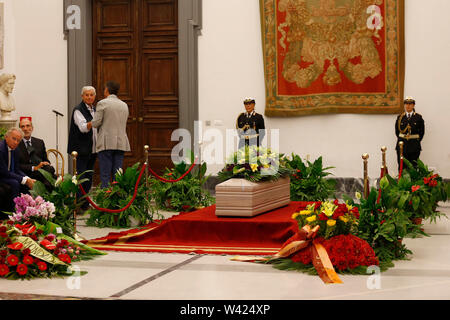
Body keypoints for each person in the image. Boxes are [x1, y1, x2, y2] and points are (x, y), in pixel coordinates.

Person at [91, 81, 130, 188]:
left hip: (106, 142)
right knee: (118, 174)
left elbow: (95, 123)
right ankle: (117, 199)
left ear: (107, 90)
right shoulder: (124, 105)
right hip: (120, 142)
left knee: (105, 174)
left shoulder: (102, 103)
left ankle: (105, 199)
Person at [68, 86, 98, 209]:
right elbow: (83, 128)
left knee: (89, 178)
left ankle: (85, 204)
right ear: (82, 96)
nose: (89, 97)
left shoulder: (95, 110)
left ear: (95, 96)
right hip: (81, 150)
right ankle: (78, 205)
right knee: (81, 178)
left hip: (93, 149)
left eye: (91, 95)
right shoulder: (78, 110)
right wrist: (97, 120)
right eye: (87, 95)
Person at [0, 127, 36, 212]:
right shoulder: (1, 149)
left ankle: (27, 211)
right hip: (1, 175)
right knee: (15, 183)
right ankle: (13, 213)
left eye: (18, 140)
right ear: (6, 137)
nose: (16, 142)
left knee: (27, 183)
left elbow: (16, 169)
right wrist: (23, 180)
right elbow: (4, 172)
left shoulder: (15, 150)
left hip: (7, 175)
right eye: (14, 139)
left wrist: (27, 178)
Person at [17, 117, 56, 190]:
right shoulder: (16, 144)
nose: (25, 129)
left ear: (32, 128)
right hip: (26, 173)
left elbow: (46, 160)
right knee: (51, 176)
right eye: (23, 126)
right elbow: (16, 165)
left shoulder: (39, 142)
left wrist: (45, 163)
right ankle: (45, 194)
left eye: (28, 126)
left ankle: (44, 192)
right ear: (20, 130)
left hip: (41, 171)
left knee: (50, 169)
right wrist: (34, 168)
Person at [395, 96, 425, 169]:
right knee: (402, 166)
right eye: (406, 104)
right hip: (402, 146)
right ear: (404, 105)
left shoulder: (418, 117)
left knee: (414, 167)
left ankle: (413, 181)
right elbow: (397, 132)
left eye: (410, 104)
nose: (408, 106)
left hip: (414, 146)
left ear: (413, 105)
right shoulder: (400, 117)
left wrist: (415, 141)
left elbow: (422, 132)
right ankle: (401, 180)